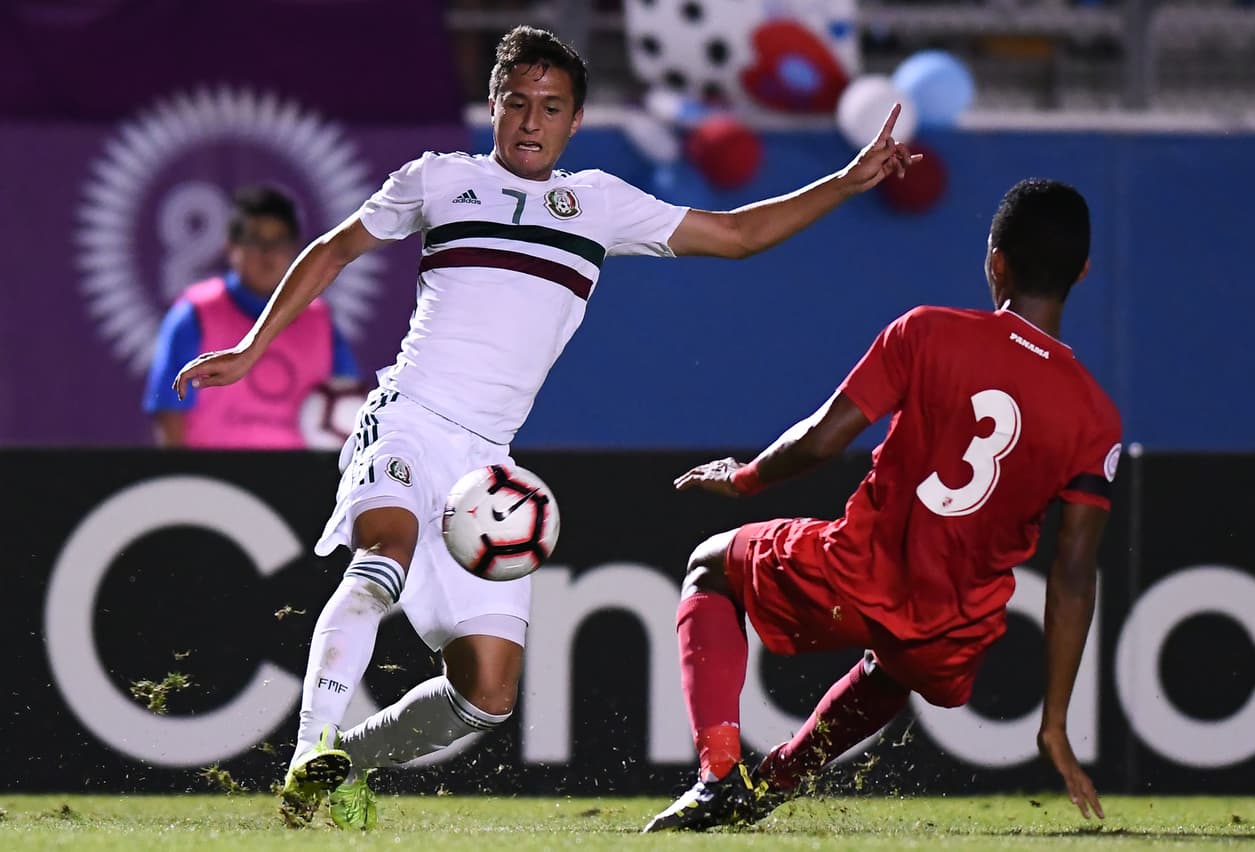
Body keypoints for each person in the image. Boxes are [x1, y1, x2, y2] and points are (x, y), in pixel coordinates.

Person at [172, 25, 917, 830]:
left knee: (487, 694)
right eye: (518, 102)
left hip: (484, 465)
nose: (532, 121)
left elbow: (737, 237)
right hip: (407, 417)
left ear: (575, 120)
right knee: (382, 553)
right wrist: (252, 348)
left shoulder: (599, 204)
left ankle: (341, 763)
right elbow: (334, 247)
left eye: (551, 107)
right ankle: (307, 750)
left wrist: (844, 182)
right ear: (493, 106)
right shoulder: (439, 179)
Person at [644, 178, 1120, 832]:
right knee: (896, 666)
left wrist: (746, 478)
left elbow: (822, 439)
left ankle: (719, 777)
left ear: (996, 262)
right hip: (953, 631)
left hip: (861, 572)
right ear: (1082, 272)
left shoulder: (928, 332)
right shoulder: (1096, 417)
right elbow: (1073, 575)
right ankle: (774, 783)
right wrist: (1056, 722)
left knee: (710, 566)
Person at [143, 184, 360, 448]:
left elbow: (350, 404)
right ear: (231, 247)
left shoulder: (320, 322)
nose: (267, 253)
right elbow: (169, 416)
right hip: (209, 473)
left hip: (298, 474)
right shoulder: (194, 314)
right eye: (255, 241)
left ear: (297, 249)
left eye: (279, 242)